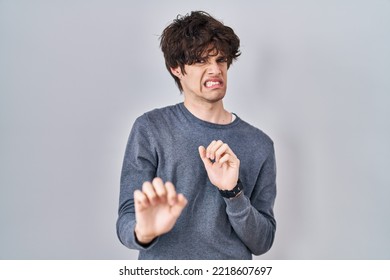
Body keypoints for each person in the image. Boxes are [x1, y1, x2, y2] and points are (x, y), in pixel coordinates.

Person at [116, 11, 277, 260]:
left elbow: (263, 241)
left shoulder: (259, 144)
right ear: (176, 68)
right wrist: (144, 231)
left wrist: (233, 193)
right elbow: (127, 216)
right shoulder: (150, 128)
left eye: (221, 60)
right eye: (201, 61)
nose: (215, 70)